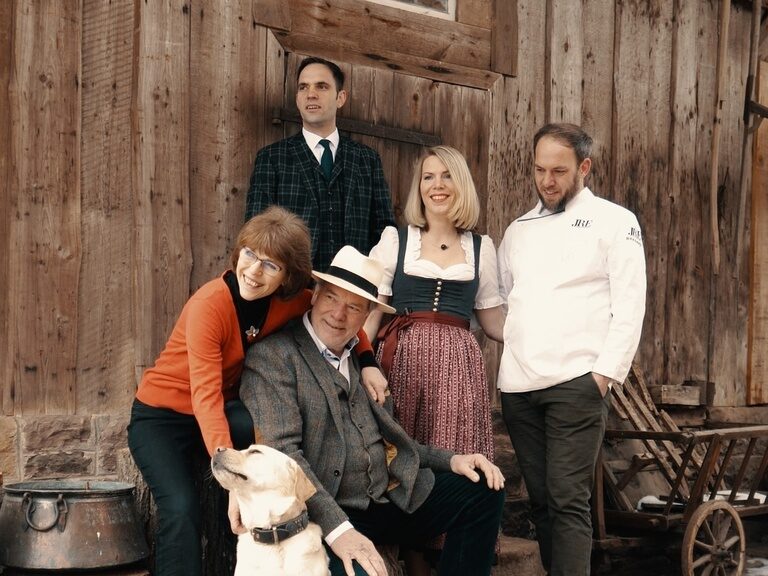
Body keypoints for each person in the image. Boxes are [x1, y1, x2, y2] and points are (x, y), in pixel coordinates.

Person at [127, 207, 385, 576]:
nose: (253, 271)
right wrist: (230, 478)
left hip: (224, 407)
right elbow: (205, 393)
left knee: (262, 435)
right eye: (249, 254)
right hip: (162, 416)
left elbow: (345, 316)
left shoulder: (290, 302)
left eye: (271, 265)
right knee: (181, 508)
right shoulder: (209, 305)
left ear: (288, 276)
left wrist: (368, 359)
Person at [239, 245, 506, 576]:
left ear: (366, 316)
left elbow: (394, 445)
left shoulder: (363, 364)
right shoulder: (274, 358)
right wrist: (340, 532)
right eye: (332, 299)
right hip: (325, 514)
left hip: (388, 502)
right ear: (314, 296)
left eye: (353, 307)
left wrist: (453, 460)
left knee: (482, 489)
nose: (339, 314)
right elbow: (286, 458)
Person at [497, 123, 647, 576]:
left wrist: (601, 377)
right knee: (542, 502)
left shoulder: (615, 221)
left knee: (567, 500)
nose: (547, 180)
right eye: (540, 170)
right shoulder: (518, 230)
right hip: (519, 389)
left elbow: (630, 305)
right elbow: (509, 299)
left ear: (584, 167)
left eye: (559, 171)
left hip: (576, 386)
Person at [364, 145, 505, 573]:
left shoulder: (481, 247)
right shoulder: (396, 240)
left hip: (459, 369)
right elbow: (371, 312)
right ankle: (408, 558)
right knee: (406, 455)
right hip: (403, 362)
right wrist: (365, 360)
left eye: (446, 176)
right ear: (418, 186)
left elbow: (495, 321)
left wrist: (553, 340)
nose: (437, 185)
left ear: (460, 184)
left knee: (456, 457)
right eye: (428, 177)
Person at [245, 56, 396, 272]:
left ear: (340, 98)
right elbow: (256, 233)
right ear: (297, 99)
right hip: (292, 289)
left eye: (322, 86)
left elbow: (385, 232)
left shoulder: (367, 159)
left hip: (352, 290)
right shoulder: (272, 158)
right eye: (303, 87)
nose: (311, 94)